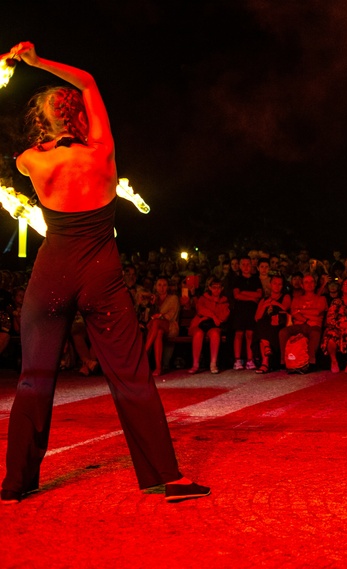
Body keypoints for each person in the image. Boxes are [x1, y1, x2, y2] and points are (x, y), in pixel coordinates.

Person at [1, 42, 207, 504]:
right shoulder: (104, 153)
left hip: (52, 272)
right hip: (101, 271)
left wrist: (19, 71)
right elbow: (89, 81)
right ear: (77, 118)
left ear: (41, 124)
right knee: (132, 375)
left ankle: (16, 482)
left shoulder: (31, 161)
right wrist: (38, 62)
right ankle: (165, 477)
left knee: (33, 376)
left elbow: (24, 155)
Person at [188, 277, 230, 374]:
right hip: (200, 324)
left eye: (219, 287)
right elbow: (200, 309)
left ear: (222, 288)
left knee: (215, 333)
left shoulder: (224, 301)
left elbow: (224, 316)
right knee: (198, 333)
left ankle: (213, 363)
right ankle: (195, 364)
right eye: (214, 287)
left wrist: (209, 316)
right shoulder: (204, 298)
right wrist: (213, 316)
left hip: (213, 326)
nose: (216, 290)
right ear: (210, 288)